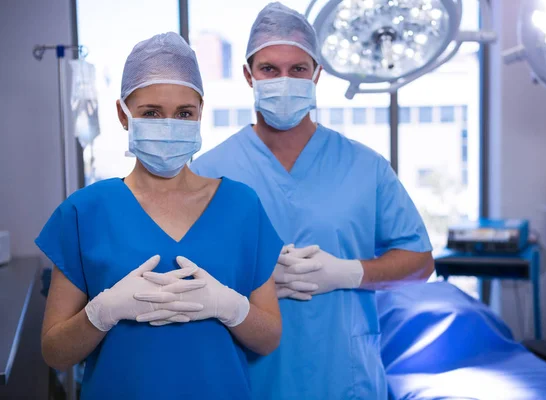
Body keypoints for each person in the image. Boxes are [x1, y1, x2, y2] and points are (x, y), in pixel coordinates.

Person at [189, 3, 435, 399]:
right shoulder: (207, 171)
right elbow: (184, 273)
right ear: (248, 75)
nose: (284, 79)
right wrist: (251, 283)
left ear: (317, 74)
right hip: (247, 379)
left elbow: (420, 262)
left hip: (344, 376)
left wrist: (349, 272)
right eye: (269, 69)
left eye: (298, 69)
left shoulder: (364, 166)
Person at [36, 32, 283, 400]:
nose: (169, 125)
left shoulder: (242, 206)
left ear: (200, 112)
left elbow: (268, 339)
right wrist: (102, 312)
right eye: (151, 113)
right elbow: (55, 353)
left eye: (184, 113)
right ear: (123, 114)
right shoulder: (85, 211)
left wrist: (231, 307)